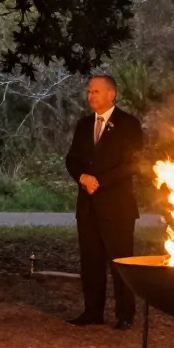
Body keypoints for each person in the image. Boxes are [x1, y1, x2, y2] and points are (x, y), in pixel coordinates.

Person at [63, 72, 144, 329]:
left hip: (117, 207)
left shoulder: (128, 124)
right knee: (91, 261)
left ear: (111, 94)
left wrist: (100, 181)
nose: (91, 96)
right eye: (89, 91)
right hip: (88, 207)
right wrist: (82, 177)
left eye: (96, 91)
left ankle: (125, 314)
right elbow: (72, 159)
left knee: (120, 262)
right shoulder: (84, 125)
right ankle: (92, 311)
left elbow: (132, 164)